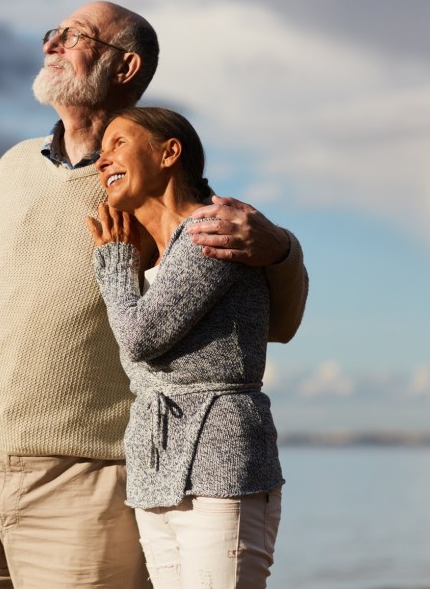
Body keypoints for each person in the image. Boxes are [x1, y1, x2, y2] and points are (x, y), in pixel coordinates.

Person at [0, 2, 308, 587]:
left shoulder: (150, 191)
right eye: (51, 33)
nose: (52, 43)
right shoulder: (11, 167)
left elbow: (273, 321)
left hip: (89, 483)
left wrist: (281, 248)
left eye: (73, 36)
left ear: (125, 66)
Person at [87, 107, 283, 588]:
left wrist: (114, 265)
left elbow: (139, 339)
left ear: (169, 152)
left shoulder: (210, 231)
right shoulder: (163, 254)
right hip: (157, 467)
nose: (101, 160)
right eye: (100, 150)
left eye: (117, 143)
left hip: (219, 459)